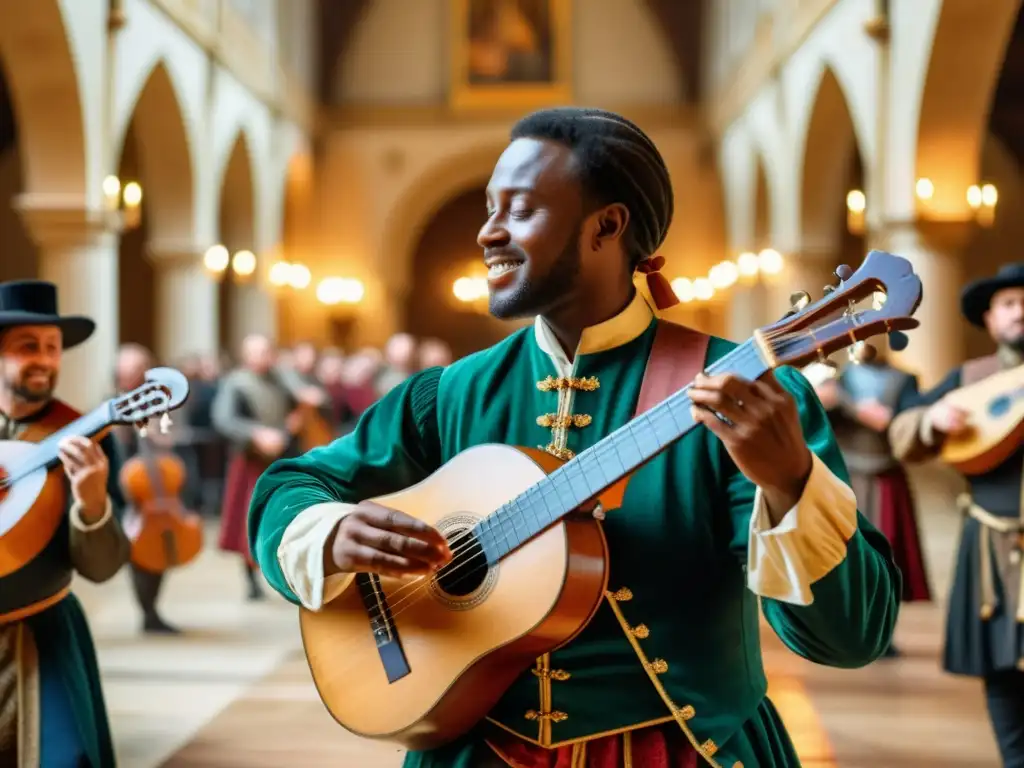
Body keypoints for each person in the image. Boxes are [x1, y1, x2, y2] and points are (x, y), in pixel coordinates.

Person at [248, 108, 900, 768]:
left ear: (607, 226)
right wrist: (330, 533)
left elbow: (851, 638)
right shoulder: (447, 394)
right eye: (488, 207)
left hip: (682, 753)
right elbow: (289, 486)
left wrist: (791, 483)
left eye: (519, 209)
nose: (486, 232)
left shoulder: (746, 399)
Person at [889, 263, 1024, 767]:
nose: (1020, 312)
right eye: (1009, 304)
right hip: (993, 543)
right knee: (1002, 668)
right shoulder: (970, 379)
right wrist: (931, 419)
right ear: (989, 319)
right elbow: (902, 431)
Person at [0, 280, 130, 767]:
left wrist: (92, 501)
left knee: (66, 758)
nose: (45, 359)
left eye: (52, 348)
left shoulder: (86, 434)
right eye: (27, 346)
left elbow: (102, 568)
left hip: (43, 630)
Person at [812, 343, 931, 657]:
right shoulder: (837, 380)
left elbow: (908, 421)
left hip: (885, 474)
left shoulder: (903, 379)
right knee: (843, 554)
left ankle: (882, 632)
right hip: (845, 476)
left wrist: (886, 418)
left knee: (888, 554)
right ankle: (843, 630)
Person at [212, 334, 312, 600]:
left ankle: (287, 573)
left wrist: (294, 421)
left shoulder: (281, 377)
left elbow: (298, 403)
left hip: (281, 457)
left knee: (286, 514)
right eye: (256, 352)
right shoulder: (236, 382)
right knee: (248, 518)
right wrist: (256, 433)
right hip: (249, 460)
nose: (262, 357)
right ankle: (251, 580)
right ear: (246, 356)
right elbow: (224, 418)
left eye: (266, 351)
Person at [112, 343, 196, 634]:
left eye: (140, 367)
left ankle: (152, 611)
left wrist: (161, 432)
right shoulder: (111, 403)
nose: (134, 373)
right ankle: (147, 612)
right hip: (125, 492)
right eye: (129, 368)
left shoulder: (160, 402)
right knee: (138, 556)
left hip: (158, 490)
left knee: (160, 550)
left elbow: (173, 436)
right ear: (119, 371)